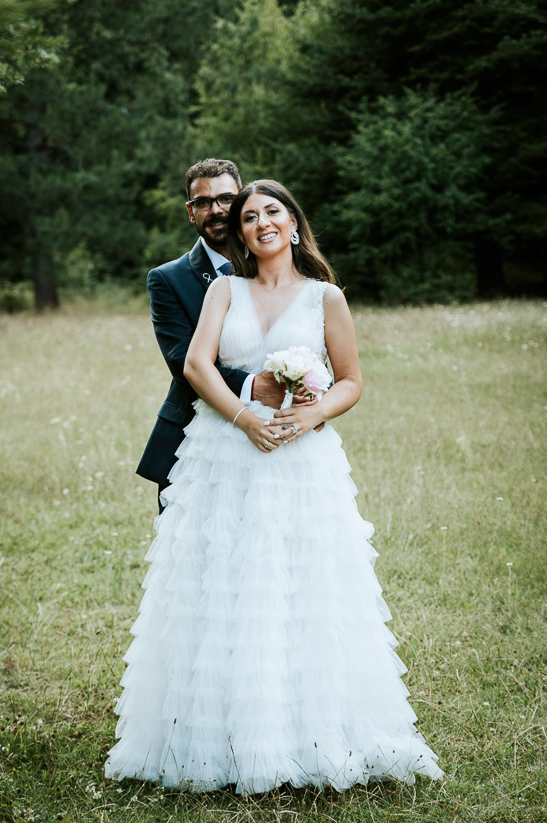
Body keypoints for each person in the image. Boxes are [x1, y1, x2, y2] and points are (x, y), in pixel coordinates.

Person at [106, 180, 444, 793]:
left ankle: (307, 735)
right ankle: (210, 738)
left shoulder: (326, 297)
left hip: (300, 460)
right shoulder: (223, 291)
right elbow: (196, 365)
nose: (260, 222)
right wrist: (245, 418)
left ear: (292, 223)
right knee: (220, 585)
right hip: (222, 454)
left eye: (272, 212)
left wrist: (311, 414)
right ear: (240, 232)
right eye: (249, 216)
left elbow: (350, 381)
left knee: (301, 587)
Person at [136, 159, 291, 504]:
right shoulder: (167, 279)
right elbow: (182, 362)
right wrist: (256, 387)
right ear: (191, 213)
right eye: (203, 203)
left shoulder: (280, 265)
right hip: (198, 436)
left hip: (281, 431)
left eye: (225, 199)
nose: (216, 210)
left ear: (242, 201)